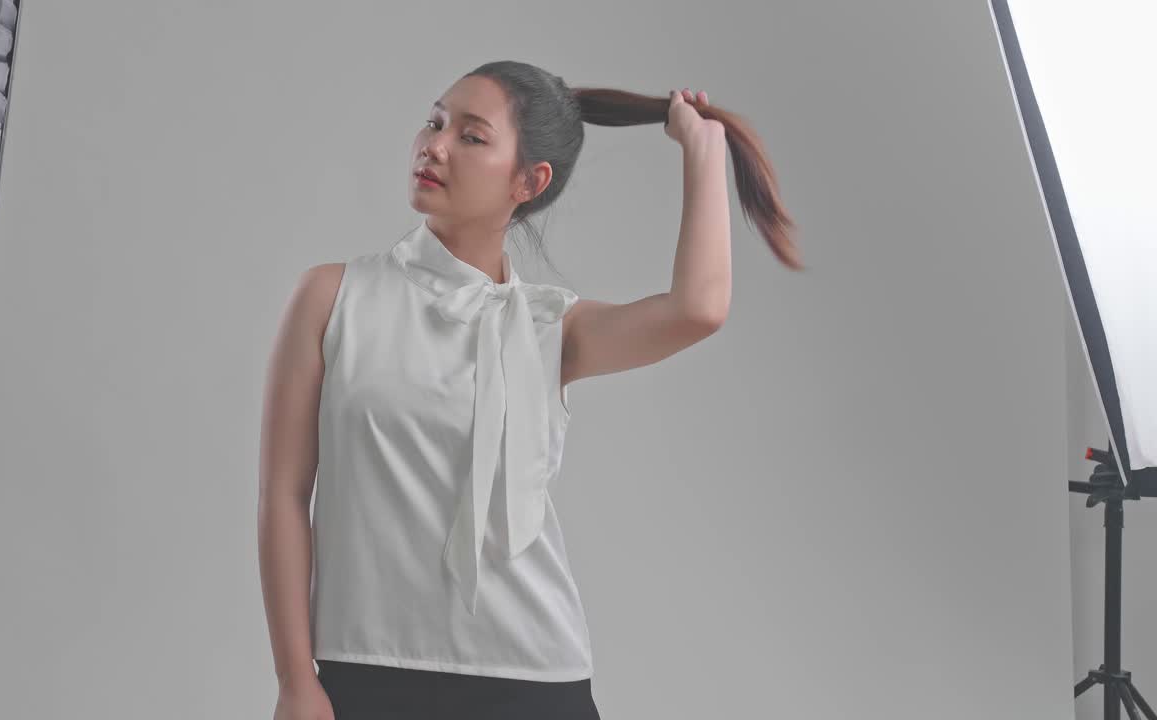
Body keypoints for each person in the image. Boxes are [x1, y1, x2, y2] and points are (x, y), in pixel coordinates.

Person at [259, 60, 801, 720]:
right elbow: (285, 495)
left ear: (530, 180)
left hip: (530, 680)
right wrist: (295, 680)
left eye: (471, 135)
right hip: (364, 670)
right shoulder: (332, 297)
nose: (433, 144)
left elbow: (699, 309)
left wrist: (703, 151)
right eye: (434, 122)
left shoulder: (549, 327)